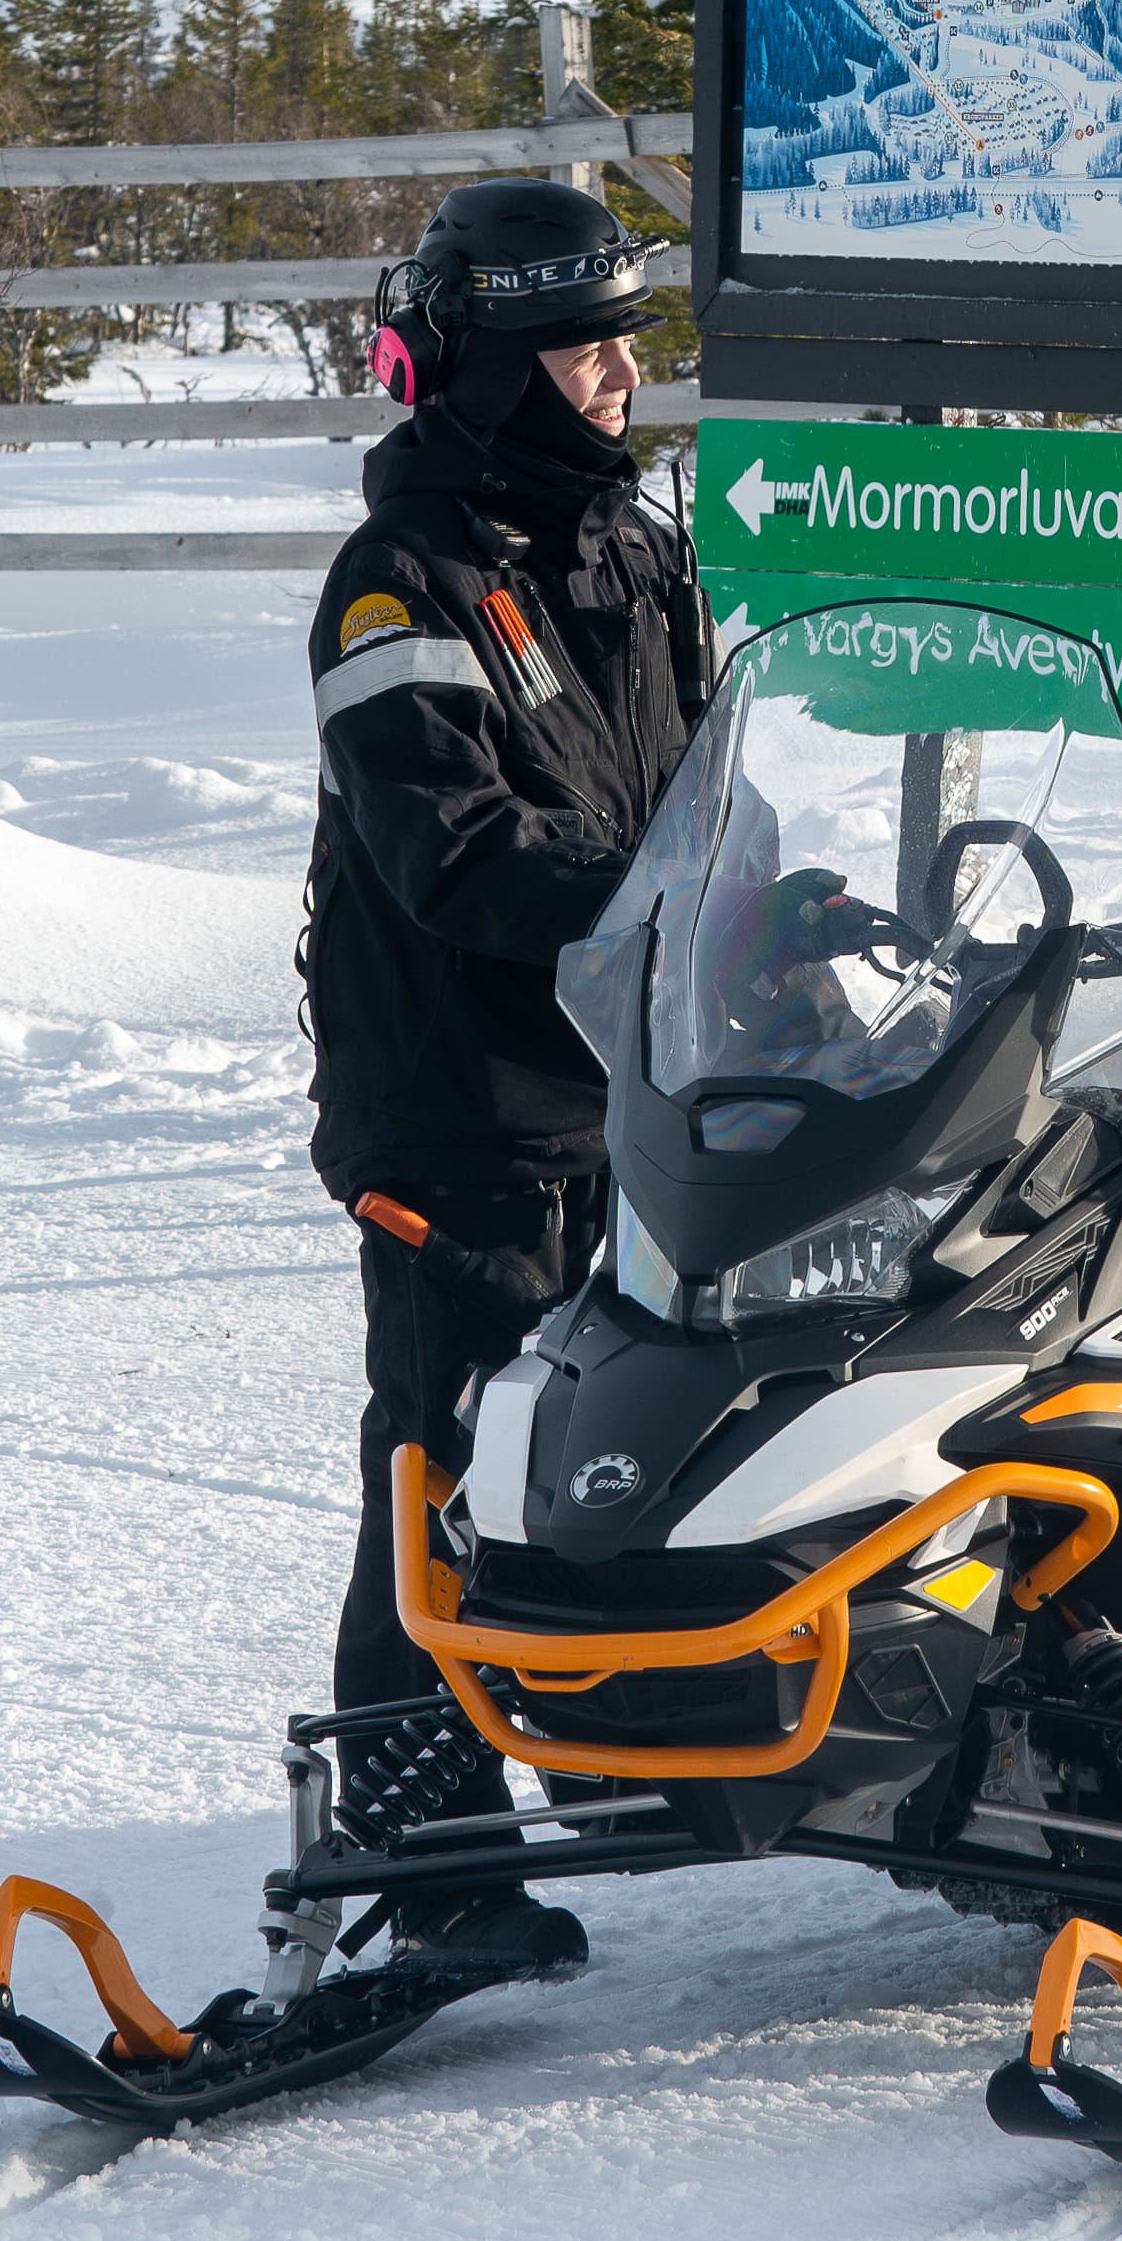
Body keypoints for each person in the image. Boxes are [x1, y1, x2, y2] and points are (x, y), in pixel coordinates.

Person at [302, 178, 710, 1979]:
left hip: (625, 1075)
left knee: (623, 1441)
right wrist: (655, 902)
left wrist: (786, 903)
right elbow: (448, 852)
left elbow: (700, 782)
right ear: (482, 367)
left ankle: (631, 1761)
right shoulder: (398, 583)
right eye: (579, 343)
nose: (623, 371)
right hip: (457, 1103)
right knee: (448, 1457)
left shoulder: (627, 543)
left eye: (629, 334)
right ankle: (422, 1842)